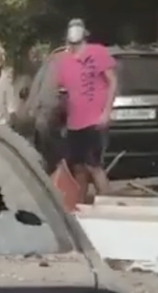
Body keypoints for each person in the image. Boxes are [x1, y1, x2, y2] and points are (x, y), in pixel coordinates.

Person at [54, 18, 116, 201]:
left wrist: (106, 112)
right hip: (74, 123)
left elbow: (112, 81)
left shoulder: (97, 52)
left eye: (77, 27)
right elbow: (64, 92)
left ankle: (108, 206)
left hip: (94, 121)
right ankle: (80, 208)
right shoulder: (64, 61)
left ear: (84, 32)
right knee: (78, 168)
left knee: (94, 166)